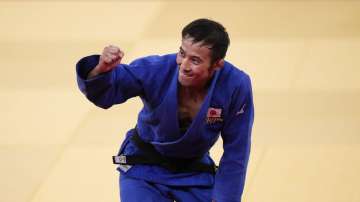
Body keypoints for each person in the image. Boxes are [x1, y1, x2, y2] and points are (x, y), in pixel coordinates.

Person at [76, 18, 254, 202]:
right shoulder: (156, 69)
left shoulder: (235, 85)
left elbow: (237, 148)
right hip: (143, 167)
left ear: (217, 65)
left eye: (195, 60)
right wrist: (101, 69)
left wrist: (225, 199)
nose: (184, 65)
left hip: (194, 171)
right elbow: (109, 90)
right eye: (182, 53)